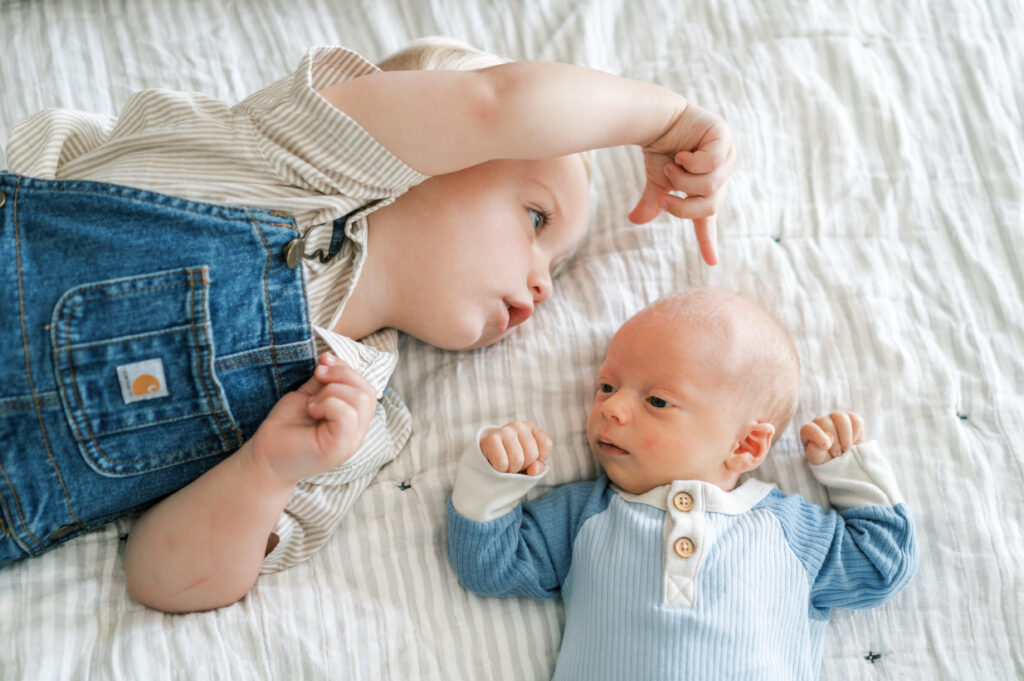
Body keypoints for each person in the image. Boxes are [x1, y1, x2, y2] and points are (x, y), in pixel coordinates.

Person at [0, 38, 735, 612]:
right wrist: (667, 121)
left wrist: (265, 471)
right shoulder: (296, 160)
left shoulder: (358, 416)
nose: (543, 281)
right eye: (536, 218)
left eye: (555, 262)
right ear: (433, 152)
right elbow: (497, 102)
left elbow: (160, 575)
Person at [446, 288, 917, 681]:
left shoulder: (790, 531)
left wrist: (850, 473)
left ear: (747, 446)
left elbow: (881, 567)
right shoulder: (585, 516)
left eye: (656, 400)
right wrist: (493, 477)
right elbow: (490, 566)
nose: (611, 408)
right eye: (607, 386)